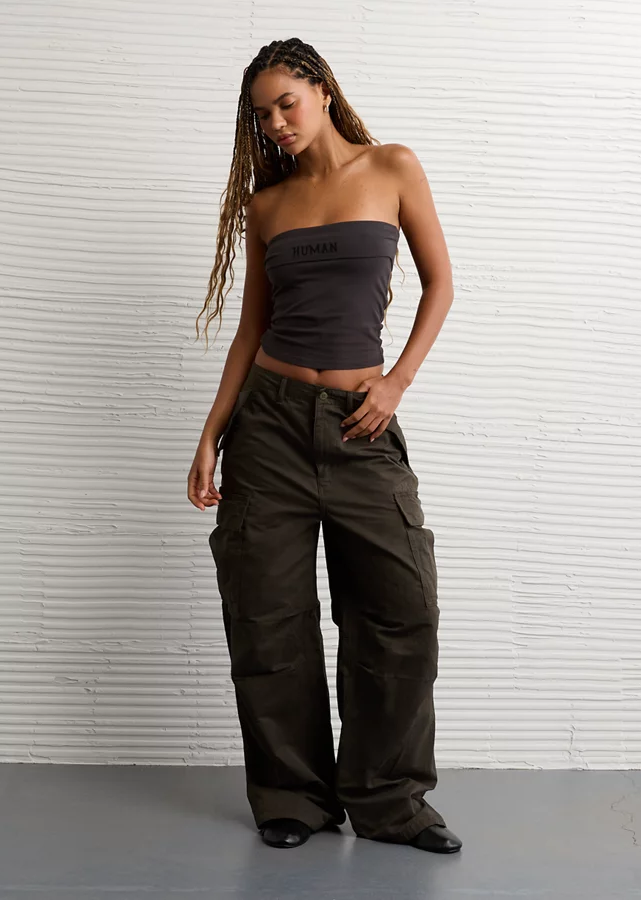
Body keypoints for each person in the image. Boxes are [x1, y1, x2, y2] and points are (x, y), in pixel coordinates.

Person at [188, 38, 460, 854]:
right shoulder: (268, 205)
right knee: (267, 616)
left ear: (322, 91)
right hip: (269, 425)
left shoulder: (392, 167)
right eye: (262, 115)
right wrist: (211, 432)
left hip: (360, 421)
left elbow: (442, 283)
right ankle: (293, 800)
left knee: (400, 610)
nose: (276, 123)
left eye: (287, 103)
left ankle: (391, 801)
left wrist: (396, 382)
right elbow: (252, 329)